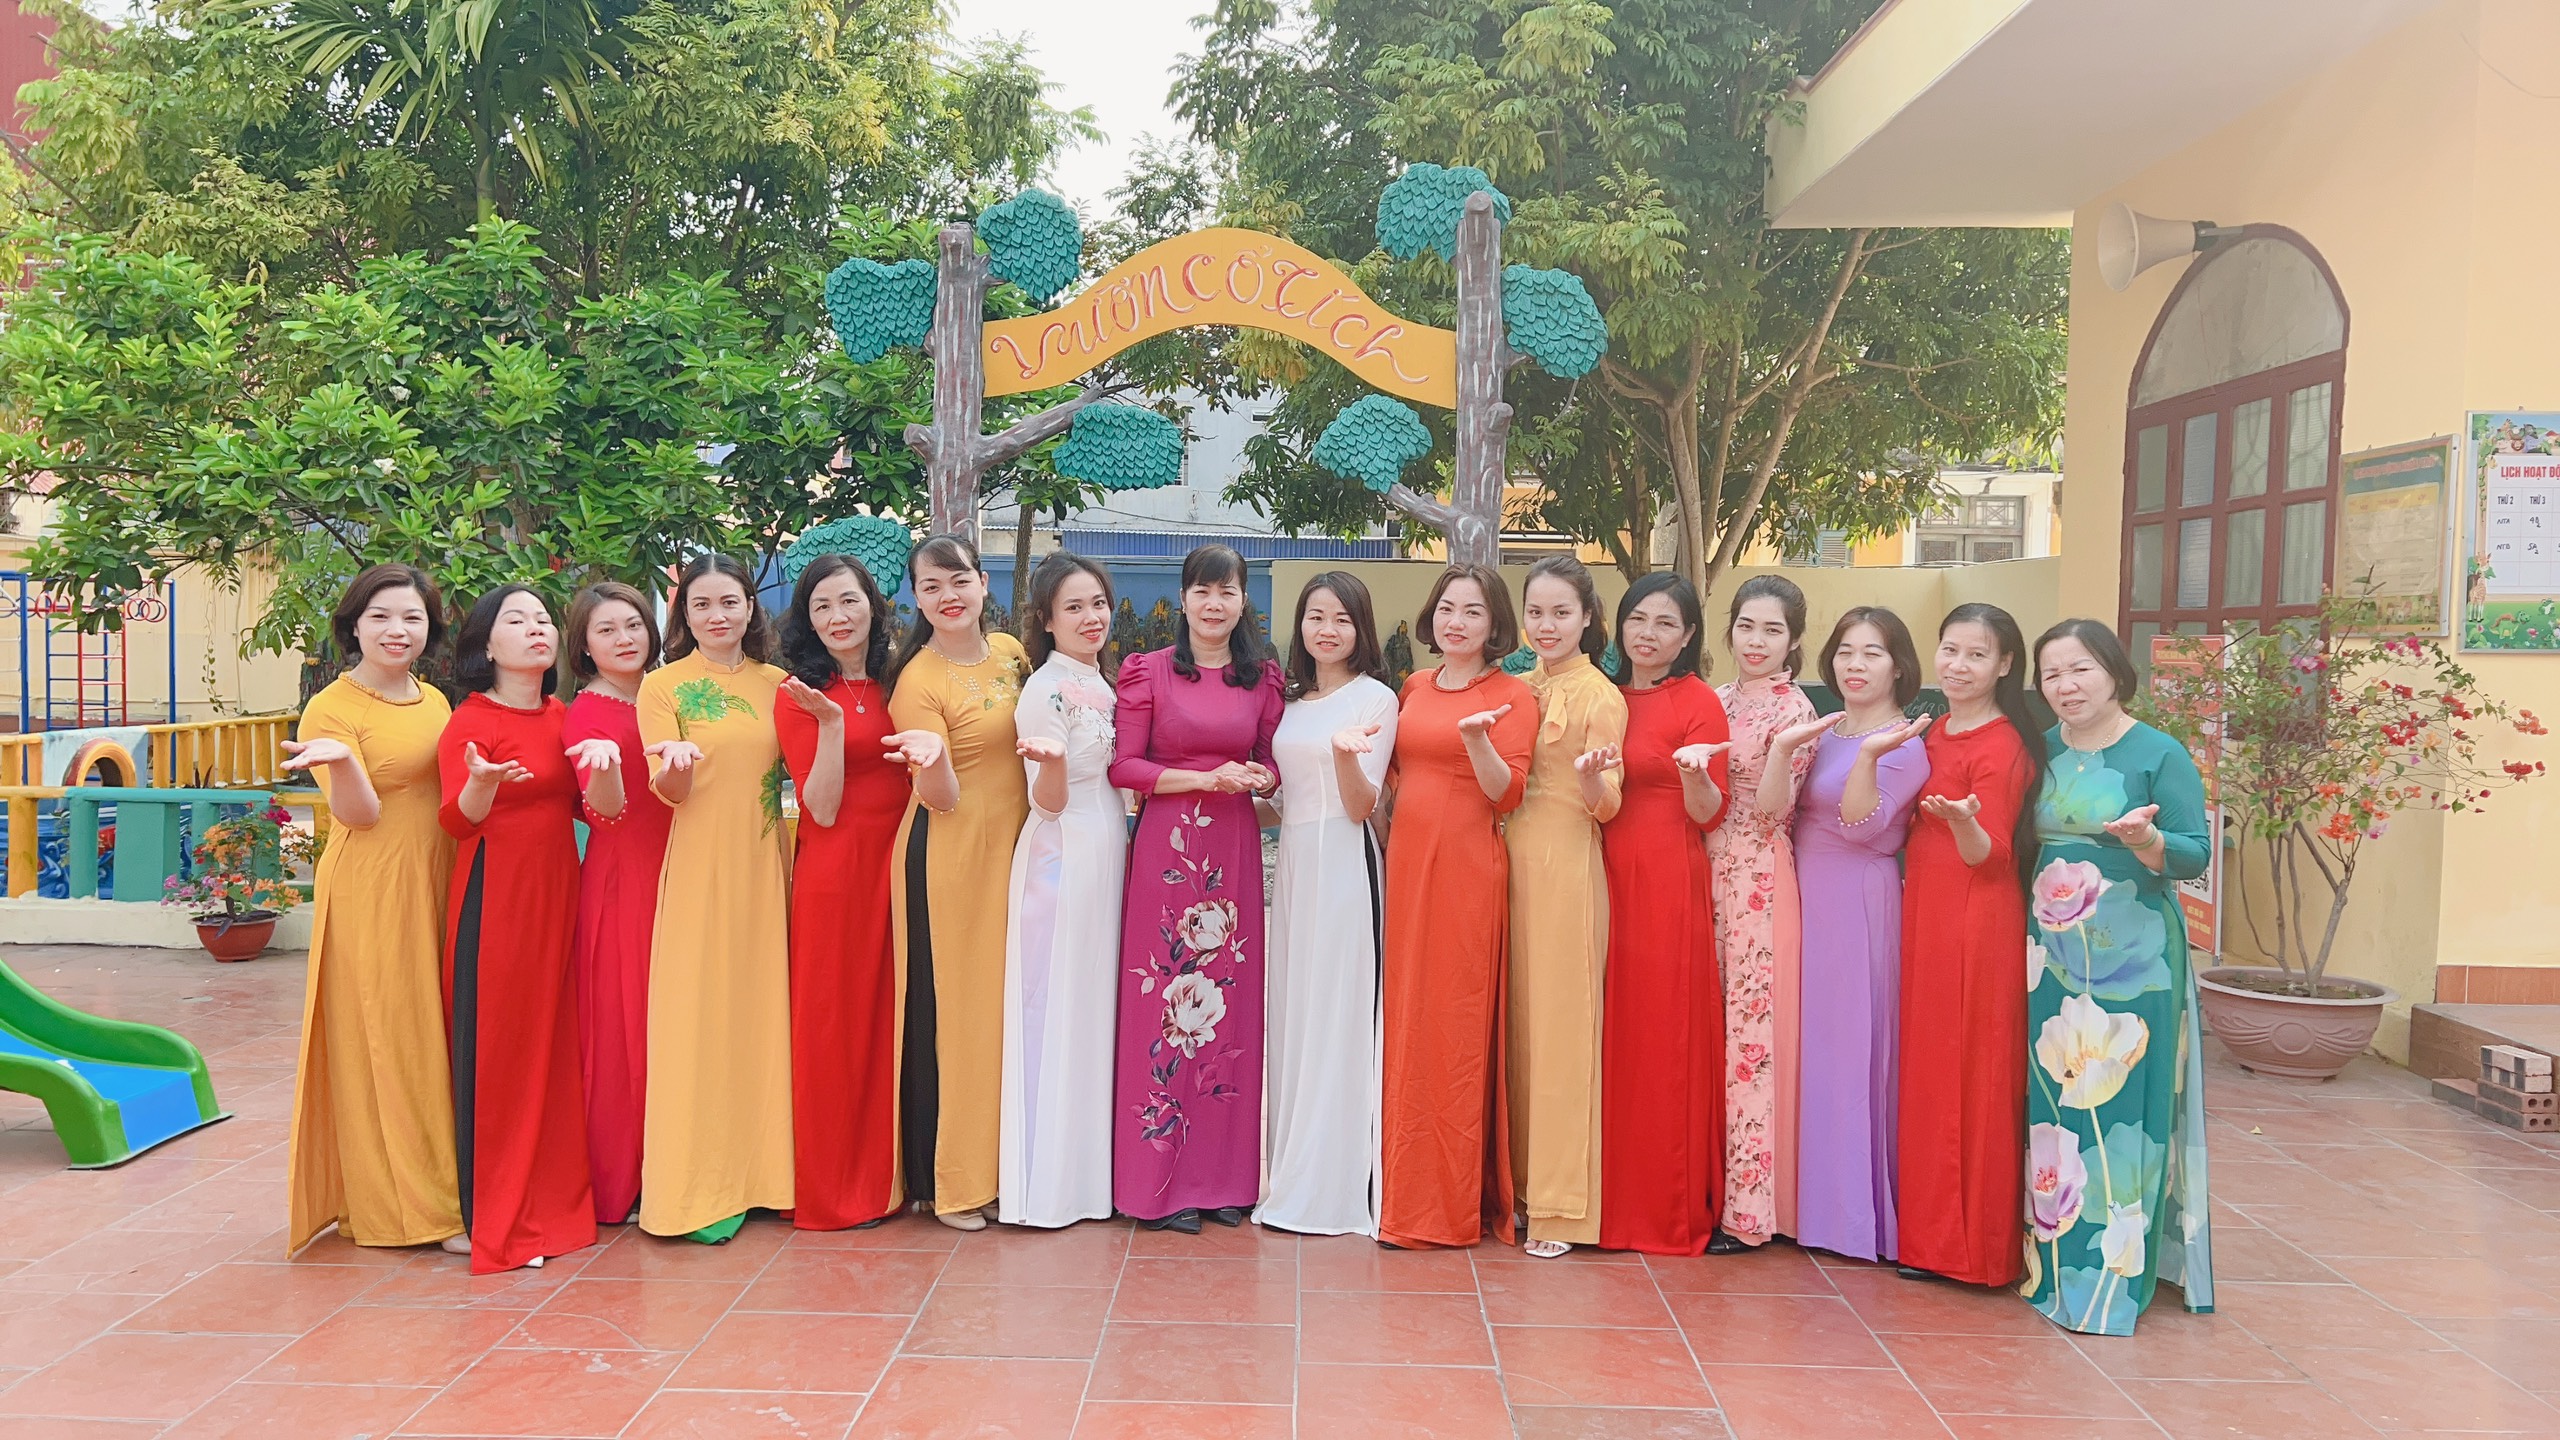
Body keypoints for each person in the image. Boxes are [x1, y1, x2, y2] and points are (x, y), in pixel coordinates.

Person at [2022, 619, 2214, 1336]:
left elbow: (2195, 853)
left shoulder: (2158, 753)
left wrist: (2149, 840)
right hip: (2051, 957)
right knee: (2055, 1103)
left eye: (2081, 670)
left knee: (2123, 1108)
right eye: (2052, 674)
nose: (2066, 686)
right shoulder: (2038, 750)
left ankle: (2113, 1276)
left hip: (2135, 962)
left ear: (2114, 673)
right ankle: (2050, 1263)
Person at [282, 565, 466, 1258]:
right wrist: (342, 762)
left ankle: (431, 1188)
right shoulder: (331, 709)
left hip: (436, 875)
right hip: (375, 886)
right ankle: (420, 1212)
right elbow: (358, 816)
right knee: (394, 1041)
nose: (398, 630)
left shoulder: (433, 700)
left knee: (434, 1036)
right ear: (353, 625)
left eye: (412, 618)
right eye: (382, 616)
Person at [1109, 544, 1285, 1234]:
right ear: (1183, 599)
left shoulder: (1261, 679)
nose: (1215, 604)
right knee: (1163, 1007)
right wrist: (1205, 779)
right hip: (1169, 850)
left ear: (1244, 601)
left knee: (1227, 1014)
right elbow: (1125, 767)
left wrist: (1260, 778)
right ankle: (1159, 1184)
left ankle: (1223, 1180)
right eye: (1203, 591)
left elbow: (1269, 762)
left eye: (1227, 591)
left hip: (1233, 851)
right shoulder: (1148, 671)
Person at [436, 585, 611, 1273]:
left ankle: (553, 1204)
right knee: (502, 1050)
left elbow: (587, 806)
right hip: (498, 899)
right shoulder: (470, 720)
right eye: (517, 620)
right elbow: (456, 821)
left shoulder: (563, 714)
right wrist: (482, 781)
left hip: (558, 895)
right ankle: (497, 1215)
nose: (536, 629)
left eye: (543, 619)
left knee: (553, 1046)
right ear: (486, 645)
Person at [1762, 606, 1930, 1264]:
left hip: (1857, 902)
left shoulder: (1903, 742)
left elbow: (1863, 825)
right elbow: (1776, 808)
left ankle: (1849, 1219)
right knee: (1805, 1048)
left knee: (1848, 1052)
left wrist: (1868, 756)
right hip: (1805, 894)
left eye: (1872, 653)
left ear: (1899, 666)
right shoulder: (1826, 728)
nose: (1855, 665)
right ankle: (1800, 1206)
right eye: (1845, 652)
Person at [635, 554, 795, 1243]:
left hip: (767, 862)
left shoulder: (779, 685)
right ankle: (700, 1186)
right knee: (698, 1019)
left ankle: (770, 1176)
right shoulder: (662, 687)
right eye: (701, 604)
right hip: (701, 866)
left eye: (729, 601)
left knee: (764, 1012)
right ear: (684, 615)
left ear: (751, 608)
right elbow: (667, 792)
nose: (717, 615)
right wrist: (675, 768)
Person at [1377, 565, 1536, 1250]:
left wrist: (1476, 740)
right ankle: (1398, 1189)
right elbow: (1392, 778)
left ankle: (1441, 1206)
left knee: (1452, 1027)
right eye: (1447, 607)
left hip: (1466, 871)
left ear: (1494, 622)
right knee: (1407, 1019)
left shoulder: (1512, 695)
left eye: (1473, 611)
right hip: (1407, 867)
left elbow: (1508, 794)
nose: (1457, 622)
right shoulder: (1414, 686)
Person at [1896, 604, 2041, 1287]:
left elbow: (1993, 855)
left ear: (2005, 664)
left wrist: (1962, 824)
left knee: (1971, 1073)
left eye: (1976, 655)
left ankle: (1972, 1250)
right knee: (1931, 1069)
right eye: (1949, 650)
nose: (1958, 666)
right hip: (1926, 910)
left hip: (1975, 919)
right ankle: (1928, 1237)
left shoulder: (2003, 745)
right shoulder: (1933, 730)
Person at [776, 554, 919, 1231]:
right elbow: (823, 808)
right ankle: (834, 1187)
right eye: (822, 607)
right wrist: (832, 725)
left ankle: (900, 1175)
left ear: (873, 604)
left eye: (849, 601)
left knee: (898, 1019)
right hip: (837, 874)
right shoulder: (799, 694)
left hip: (904, 862)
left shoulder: (903, 678)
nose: (837, 617)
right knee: (835, 1024)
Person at [1257, 571, 1399, 1237]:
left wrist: (1345, 755)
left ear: (1360, 628)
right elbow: (1286, 801)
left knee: (1338, 1014)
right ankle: (1290, 1171)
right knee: (1295, 1011)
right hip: (1295, 869)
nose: (1328, 630)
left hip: (1345, 865)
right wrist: (1233, 791)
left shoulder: (1375, 699)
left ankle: (1335, 1183)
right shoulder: (1289, 701)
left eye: (1342, 618)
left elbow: (1361, 803)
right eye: (1316, 616)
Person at [1596, 573, 1732, 1257]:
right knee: (1602, 1031)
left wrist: (1693, 773)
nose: (1647, 634)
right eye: (1637, 619)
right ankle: (1589, 1198)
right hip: (1597, 870)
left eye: (1665, 624)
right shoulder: (1602, 695)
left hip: (1665, 878)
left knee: (1658, 1032)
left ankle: (1658, 1205)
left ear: (1688, 637)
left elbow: (1709, 813)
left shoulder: (1698, 701)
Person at [886, 536, 1017, 1232]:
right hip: (950, 854)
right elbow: (936, 796)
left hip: (1014, 852)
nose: (948, 596)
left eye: (958, 580)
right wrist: (934, 759)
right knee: (956, 1015)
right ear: (916, 598)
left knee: (1002, 1012)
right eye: (931, 586)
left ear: (983, 582)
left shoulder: (1013, 655)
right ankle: (951, 1183)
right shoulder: (918, 681)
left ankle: (1004, 1168)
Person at [999, 552, 1127, 1228]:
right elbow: (1045, 803)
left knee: (1095, 1007)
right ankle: (1048, 1184)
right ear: (1046, 620)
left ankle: (1090, 1177)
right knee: (1056, 1007)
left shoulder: (1105, 683)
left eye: (1097, 603)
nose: (1090, 617)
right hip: (1062, 855)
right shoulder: (1045, 691)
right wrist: (1049, 767)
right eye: (1073, 607)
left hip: (1109, 850)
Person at [1506, 555, 1626, 1259]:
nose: (1546, 625)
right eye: (1536, 612)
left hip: (1567, 869)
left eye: (1561, 612)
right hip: (1509, 863)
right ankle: (1520, 1190)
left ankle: (1562, 1206)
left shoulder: (1599, 696)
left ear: (1586, 617)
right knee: (1518, 1031)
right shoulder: (1518, 689)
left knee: (1561, 1034)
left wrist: (1588, 782)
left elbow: (1609, 805)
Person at [1709, 576, 1819, 1251]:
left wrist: (1779, 750)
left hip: (1757, 878)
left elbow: (1775, 809)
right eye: (1747, 626)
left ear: (1793, 640)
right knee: (1709, 1036)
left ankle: (1750, 1213)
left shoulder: (1795, 711)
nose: (1756, 641)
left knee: (1750, 1045)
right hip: (1704, 868)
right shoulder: (1716, 698)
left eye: (1772, 630)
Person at [559, 582, 668, 1227]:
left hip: (682, 870)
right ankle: (625, 1179)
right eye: (606, 630)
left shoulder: (666, 693)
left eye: (633, 625)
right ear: (584, 646)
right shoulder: (587, 713)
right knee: (626, 1028)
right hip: (624, 880)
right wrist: (606, 769)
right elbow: (603, 812)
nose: (624, 639)